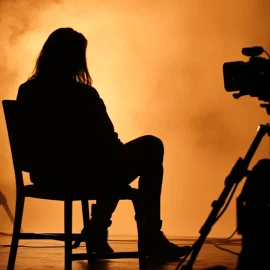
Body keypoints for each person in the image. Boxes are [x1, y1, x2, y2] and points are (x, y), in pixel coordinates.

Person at [16, 27, 190, 261]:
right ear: (76, 59)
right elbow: (108, 142)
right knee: (150, 146)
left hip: (46, 175)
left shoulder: (27, 91)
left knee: (110, 167)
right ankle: (146, 234)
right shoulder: (84, 96)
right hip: (80, 177)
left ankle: (98, 228)